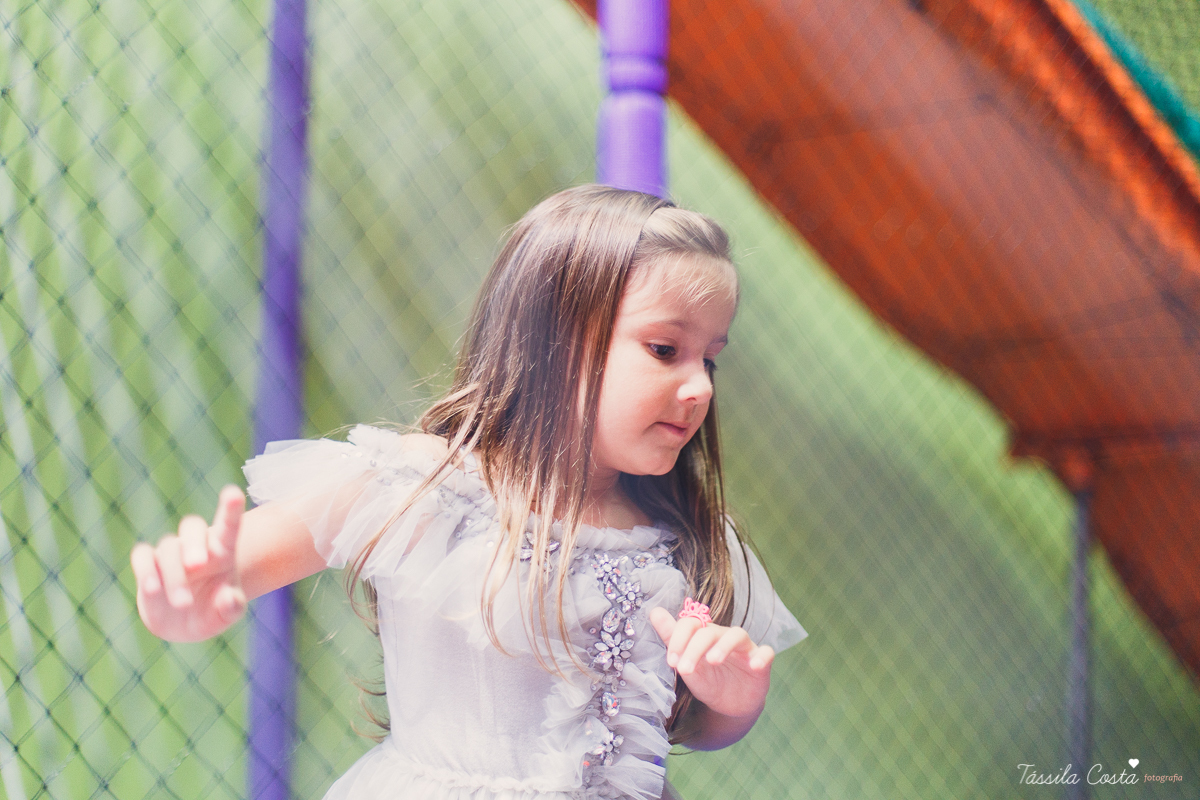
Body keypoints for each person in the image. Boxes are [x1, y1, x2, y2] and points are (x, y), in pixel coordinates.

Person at [130, 184, 806, 800]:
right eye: (665, 349)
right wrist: (186, 593)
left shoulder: (682, 534)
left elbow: (695, 726)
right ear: (556, 338)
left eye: (710, 358)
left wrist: (734, 701)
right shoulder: (428, 489)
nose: (700, 387)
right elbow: (236, 563)